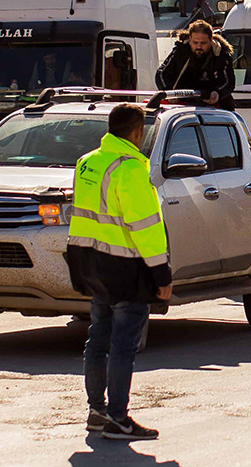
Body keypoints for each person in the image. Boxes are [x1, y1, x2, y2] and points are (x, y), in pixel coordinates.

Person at [66, 103, 172, 441]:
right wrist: (162, 274)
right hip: (126, 268)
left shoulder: (88, 162)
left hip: (93, 263)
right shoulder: (130, 168)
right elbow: (145, 226)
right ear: (137, 132)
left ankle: (97, 411)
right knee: (123, 346)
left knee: (97, 339)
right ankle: (117, 418)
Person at [155, 20, 236, 111]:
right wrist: (169, 92)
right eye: (195, 42)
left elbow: (228, 81)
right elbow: (161, 74)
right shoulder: (181, 51)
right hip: (181, 105)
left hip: (214, 106)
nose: (199, 47)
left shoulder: (220, 55)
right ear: (190, 39)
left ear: (211, 40)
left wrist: (218, 93)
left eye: (203, 43)